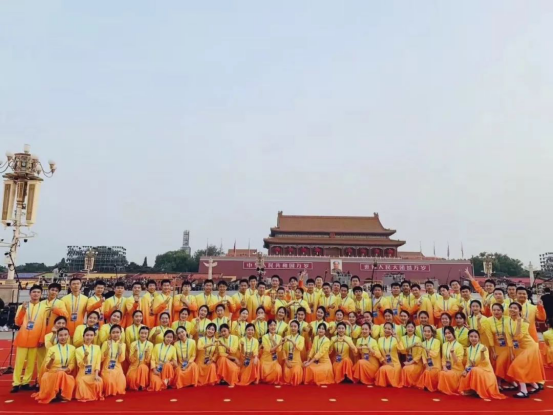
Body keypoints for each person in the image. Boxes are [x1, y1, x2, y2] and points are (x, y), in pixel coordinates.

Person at [505, 302, 545, 398]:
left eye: (515, 308)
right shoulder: (507, 321)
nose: (512, 309)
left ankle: (524, 391)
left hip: (530, 347)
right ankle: (535, 386)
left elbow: (518, 337)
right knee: (523, 368)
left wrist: (519, 323)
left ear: (519, 311)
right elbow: (509, 338)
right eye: (511, 307)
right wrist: (511, 352)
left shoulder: (525, 322)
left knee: (518, 366)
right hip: (519, 348)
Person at [12, 285, 47, 393]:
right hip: (23, 337)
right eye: (34, 292)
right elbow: (18, 322)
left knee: (31, 363)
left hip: (35, 338)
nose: (36, 294)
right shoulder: (22, 306)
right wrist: (23, 310)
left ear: (41, 294)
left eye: (38, 292)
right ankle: (16, 383)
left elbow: (43, 325)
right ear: (30, 293)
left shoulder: (44, 307)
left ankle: (26, 382)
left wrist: (41, 338)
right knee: (19, 362)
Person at [32, 327, 75, 404]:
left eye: (65, 335)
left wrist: (64, 370)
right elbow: (47, 366)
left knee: (62, 374)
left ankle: (60, 393)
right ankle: (56, 394)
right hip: (52, 372)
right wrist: (51, 360)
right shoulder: (52, 349)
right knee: (60, 373)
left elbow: (72, 364)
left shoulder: (72, 348)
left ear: (68, 336)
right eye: (60, 335)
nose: (63, 337)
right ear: (57, 337)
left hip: (66, 372)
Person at [458, 329, 505, 399]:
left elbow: (485, 362)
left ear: (479, 338)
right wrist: (466, 370)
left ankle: (479, 391)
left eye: (475, 337)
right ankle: (471, 390)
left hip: (485, 371)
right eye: (471, 336)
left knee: (475, 370)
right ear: (468, 338)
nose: (473, 338)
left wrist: (482, 353)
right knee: (464, 374)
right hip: (474, 370)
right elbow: (468, 363)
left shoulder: (483, 347)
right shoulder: (468, 349)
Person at [486, 303, 514, 390]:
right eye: (494, 310)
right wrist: (493, 351)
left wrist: (511, 349)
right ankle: (499, 380)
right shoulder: (488, 320)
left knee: (501, 362)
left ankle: (499, 382)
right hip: (495, 346)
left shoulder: (508, 319)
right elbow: (490, 337)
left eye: (498, 310)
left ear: (502, 311)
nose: (496, 312)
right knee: (495, 362)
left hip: (507, 346)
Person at [74, 327, 104, 402]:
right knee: (81, 389)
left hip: (93, 374)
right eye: (87, 335)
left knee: (98, 382)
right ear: (83, 336)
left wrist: (96, 375)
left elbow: (98, 363)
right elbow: (80, 365)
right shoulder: (78, 350)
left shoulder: (97, 348)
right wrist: (85, 357)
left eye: (91, 335)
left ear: (94, 336)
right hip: (82, 376)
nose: (89, 337)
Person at [437, 326, 464, 395]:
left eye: (449, 333)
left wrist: (453, 353)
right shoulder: (444, 345)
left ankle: (451, 390)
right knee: (441, 373)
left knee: (447, 374)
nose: (447, 335)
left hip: (457, 369)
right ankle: (445, 390)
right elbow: (443, 358)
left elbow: (459, 362)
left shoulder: (459, 346)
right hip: (447, 367)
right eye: (446, 333)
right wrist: (444, 366)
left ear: (453, 334)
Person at [100, 324, 126, 397]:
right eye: (113, 332)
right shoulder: (106, 343)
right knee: (109, 382)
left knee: (121, 386)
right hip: (107, 368)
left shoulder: (123, 344)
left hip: (118, 368)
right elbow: (101, 359)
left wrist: (120, 349)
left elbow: (121, 360)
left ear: (120, 333)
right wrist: (107, 349)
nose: (115, 334)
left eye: (117, 332)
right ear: (110, 334)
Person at [415, 325, 441, 392]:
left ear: (432, 332)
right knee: (427, 371)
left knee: (428, 372)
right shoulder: (423, 343)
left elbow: (435, 354)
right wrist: (427, 366)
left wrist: (424, 347)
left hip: (436, 365)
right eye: (425, 331)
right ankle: (427, 385)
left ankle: (430, 386)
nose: (427, 333)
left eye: (429, 331)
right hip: (427, 366)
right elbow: (423, 357)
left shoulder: (437, 341)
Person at [375, 322, 401, 387]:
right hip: (385, 362)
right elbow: (378, 352)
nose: (387, 330)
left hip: (394, 363)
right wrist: (383, 361)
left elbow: (402, 350)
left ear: (392, 330)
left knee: (383, 369)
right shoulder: (380, 340)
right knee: (382, 369)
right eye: (385, 328)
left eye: (389, 329)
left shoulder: (395, 339)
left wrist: (397, 338)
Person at [127, 326, 153, 391]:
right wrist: (135, 352)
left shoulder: (150, 344)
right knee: (132, 379)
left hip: (144, 366)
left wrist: (146, 353)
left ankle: (142, 385)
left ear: (148, 334)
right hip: (134, 366)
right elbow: (131, 360)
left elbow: (148, 361)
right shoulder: (133, 344)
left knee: (142, 367)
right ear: (139, 334)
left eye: (145, 333)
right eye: (142, 333)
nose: (143, 335)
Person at [398, 321, 423, 387]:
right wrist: (411, 346)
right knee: (404, 368)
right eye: (408, 327)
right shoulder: (402, 338)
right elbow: (402, 351)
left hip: (416, 362)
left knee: (406, 368)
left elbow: (419, 354)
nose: (410, 328)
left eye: (412, 327)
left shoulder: (418, 339)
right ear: (406, 328)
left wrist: (410, 362)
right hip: (405, 360)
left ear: (414, 329)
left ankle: (410, 383)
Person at [260, 320, 283, 384]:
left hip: (274, 360)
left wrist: (273, 340)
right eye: (271, 325)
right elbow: (269, 349)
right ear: (268, 327)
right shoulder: (264, 337)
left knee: (278, 370)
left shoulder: (279, 337)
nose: (273, 327)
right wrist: (278, 344)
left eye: (274, 325)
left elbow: (279, 349)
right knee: (265, 374)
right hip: (266, 359)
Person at [282, 320, 305, 386]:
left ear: (298, 328)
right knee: (286, 373)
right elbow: (283, 350)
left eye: (295, 326)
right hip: (288, 361)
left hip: (297, 361)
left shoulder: (301, 338)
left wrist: (292, 341)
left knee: (295, 372)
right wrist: (286, 361)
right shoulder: (286, 337)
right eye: (291, 326)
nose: (293, 328)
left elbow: (300, 348)